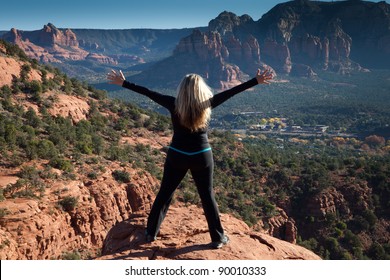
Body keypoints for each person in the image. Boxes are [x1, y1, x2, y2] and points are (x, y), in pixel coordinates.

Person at [107, 69, 273, 249]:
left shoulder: (173, 103)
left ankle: (150, 233)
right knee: (207, 196)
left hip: (177, 154)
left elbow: (148, 93)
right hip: (201, 156)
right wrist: (255, 81)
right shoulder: (207, 104)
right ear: (201, 90)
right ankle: (217, 238)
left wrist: (124, 83)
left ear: (182, 90)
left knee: (165, 193)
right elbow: (231, 92)